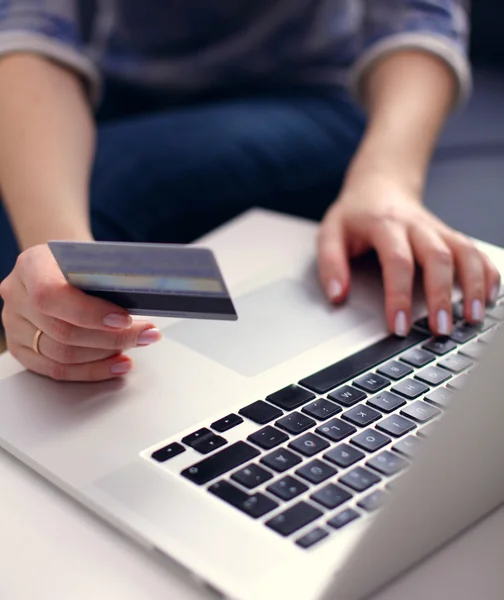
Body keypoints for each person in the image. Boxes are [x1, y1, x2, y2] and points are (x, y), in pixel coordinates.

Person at [0, 1, 499, 382]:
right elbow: (29, 28)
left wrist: (388, 178)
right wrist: (61, 256)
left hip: (312, 97)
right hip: (113, 94)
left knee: (107, 187)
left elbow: (417, 18)